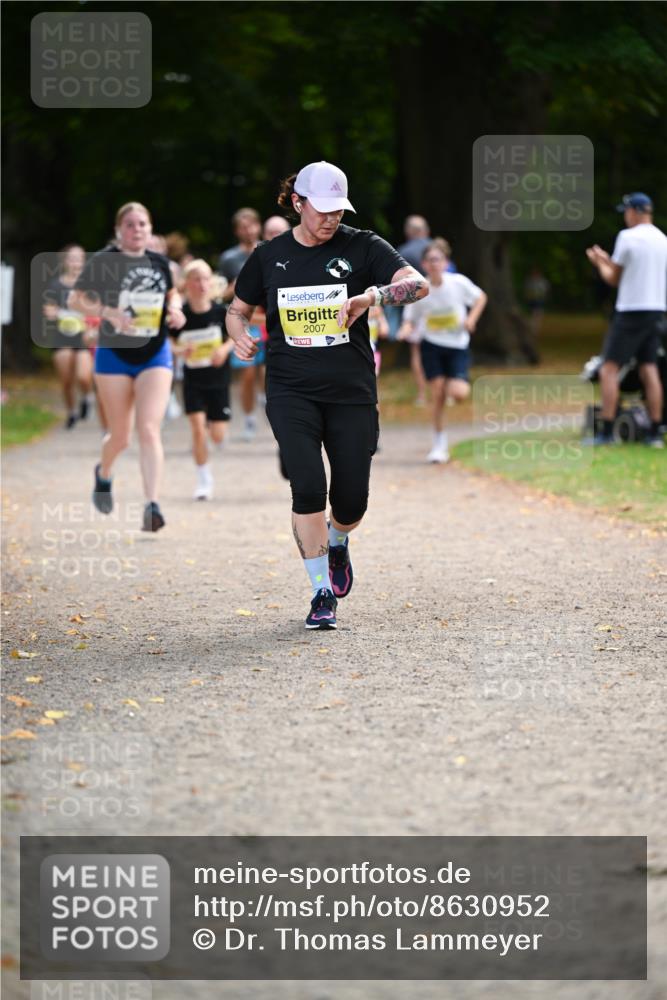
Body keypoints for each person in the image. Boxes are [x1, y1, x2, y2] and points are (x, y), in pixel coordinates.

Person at [226, 160, 428, 630]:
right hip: (290, 389)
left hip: (351, 390)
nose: (332, 218)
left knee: (352, 499)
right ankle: (321, 593)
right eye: (323, 209)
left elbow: (419, 285)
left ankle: (338, 540)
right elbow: (237, 310)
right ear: (298, 203)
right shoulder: (269, 255)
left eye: (339, 210)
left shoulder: (363, 246)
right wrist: (238, 335)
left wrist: (371, 298)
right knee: (308, 487)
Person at [69, 201, 186, 531]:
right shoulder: (104, 260)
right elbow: (75, 299)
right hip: (114, 354)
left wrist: (176, 309)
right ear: (119, 230)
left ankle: (152, 505)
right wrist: (108, 313)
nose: (137, 230)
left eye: (142, 224)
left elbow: (172, 295)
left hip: (155, 353)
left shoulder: (160, 262)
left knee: (149, 428)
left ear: (151, 229)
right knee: (120, 436)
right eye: (130, 224)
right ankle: (103, 473)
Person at [586, 192, 666, 448]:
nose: (625, 217)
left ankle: (607, 432)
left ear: (635, 212)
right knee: (649, 369)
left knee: (608, 369)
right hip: (656, 310)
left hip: (631, 311)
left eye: (627, 212)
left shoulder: (627, 237)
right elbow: (631, 270)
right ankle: (655, 432)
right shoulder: (662, 239)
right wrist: (607, 260)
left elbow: (613, 278)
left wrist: (599, 263)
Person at [399, 239, 487, 463]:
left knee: (459, 393)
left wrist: (471, 319)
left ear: (446, 263)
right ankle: (439, 444)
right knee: (437, 395)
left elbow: (480, 298)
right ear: (424, 265)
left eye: (438, 259)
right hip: (432, 345)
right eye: (430, 260)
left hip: (457, 345)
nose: (434, 264)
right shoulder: (420, 290)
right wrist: (405, 329)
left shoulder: (458, 283)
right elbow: (410, 319)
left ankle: (450, 384)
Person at [173, 259, 234, 500]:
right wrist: (179, 350)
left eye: (206, 279)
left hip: (218, 380)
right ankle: (204, 481)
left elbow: (236, 336)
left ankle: (214, 431)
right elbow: (167, 341)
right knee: (198, 430)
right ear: (187, 283)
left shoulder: (221, 312)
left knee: (217, 435)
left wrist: (224, 350)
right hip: (193, 381)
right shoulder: (181, 315)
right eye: (196, 279)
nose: (201, 284)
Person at [219, 208, 264, 441]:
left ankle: (266, 399)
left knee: (268, 371)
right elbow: (220, 295)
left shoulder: (269, 250)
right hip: (246, 322)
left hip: (271, 319)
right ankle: (249, 418)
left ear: (258, 226)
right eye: (243, 227)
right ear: (237, 231)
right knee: (247, 373)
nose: (248, 230)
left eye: (252, 225)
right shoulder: (229, 259)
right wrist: (236, 285)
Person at [43, 244, 95, 428]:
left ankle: (87, 397)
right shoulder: (55, 286)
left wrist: (90, 324)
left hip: (83, 337)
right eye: (72, 259)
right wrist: (53, 313)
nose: (75, 263)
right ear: (65, 261)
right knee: (66, 380)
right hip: (62, 336)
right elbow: (48, 309)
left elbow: (96, 311)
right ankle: (71, 411)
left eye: (79, 259)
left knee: (83, 376)